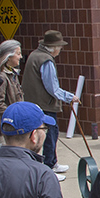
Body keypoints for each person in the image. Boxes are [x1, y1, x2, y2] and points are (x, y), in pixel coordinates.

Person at [22, 30, 80, 181]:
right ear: (54, 47)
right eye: (60, 47)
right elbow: (52, 88)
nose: (60, 50)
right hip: (44, 105)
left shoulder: (35, 55)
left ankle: (52, 163)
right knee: (49, 135)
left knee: (51, 134)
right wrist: (70, 97)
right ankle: (48, 168)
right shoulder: (46, 60)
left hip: (36, 103)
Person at [0, 39, 24, 143]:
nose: (21, 57)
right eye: (18, 54)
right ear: (8, 57)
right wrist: (12, 118)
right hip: (8, 129)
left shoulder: (12, 73)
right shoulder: (1, 76)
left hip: (17, 124)